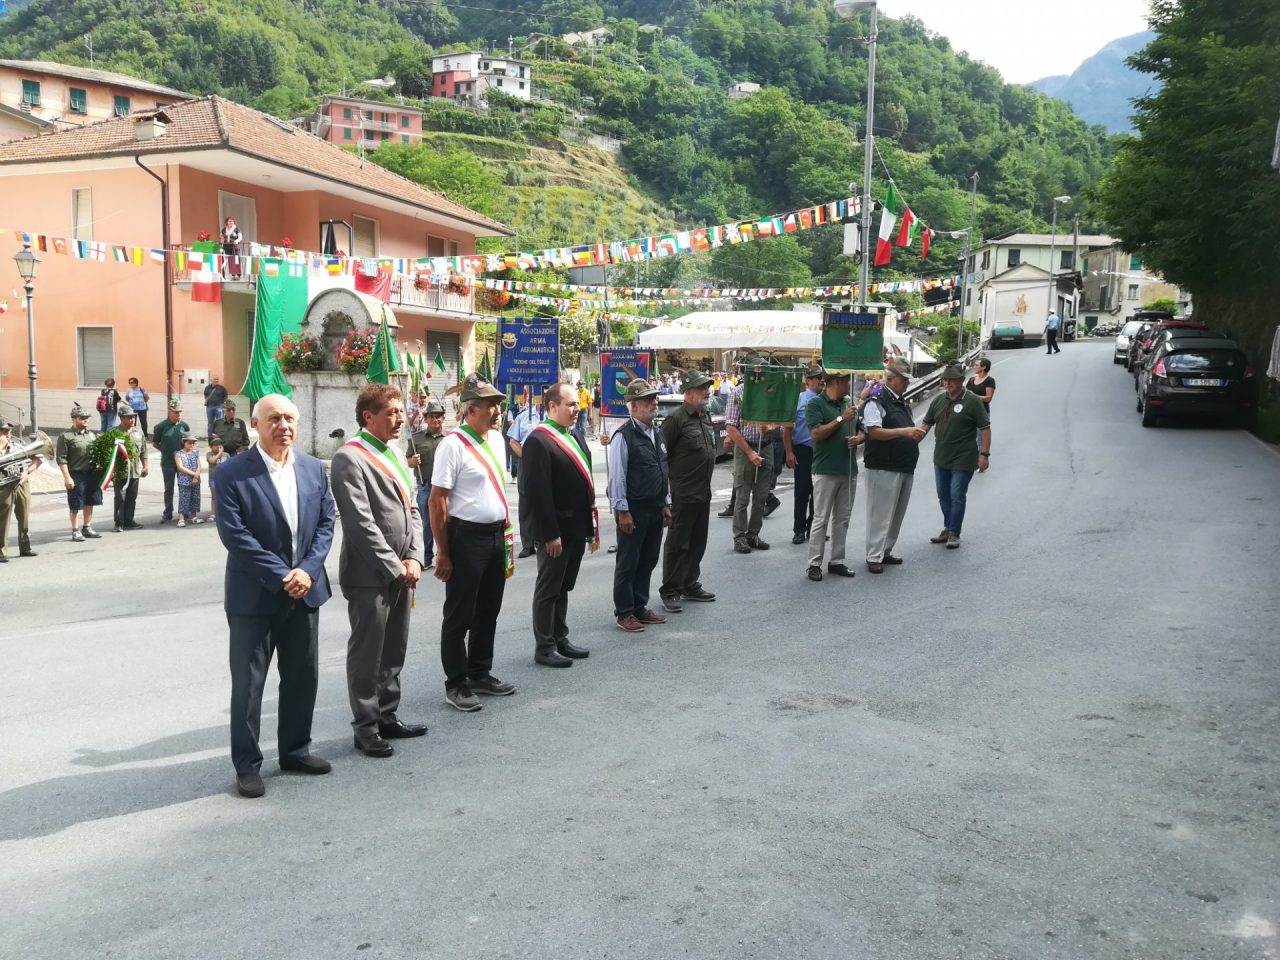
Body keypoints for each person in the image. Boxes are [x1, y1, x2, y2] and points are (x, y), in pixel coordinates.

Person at [214, 393, 336, 799]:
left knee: (303, 676)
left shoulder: (313, 469)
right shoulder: (232, 472)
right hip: (256, 597)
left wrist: (308, 570)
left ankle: (295, 751)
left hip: (305, 590)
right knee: (249, 685)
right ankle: (247, 765)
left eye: (289, 418)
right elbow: (235, 535)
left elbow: (325, 523)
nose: (283, 425)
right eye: (274, 418)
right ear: (255, 423)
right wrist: (283, 575)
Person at [331, 383, 428, 758]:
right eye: (391, 412)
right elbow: (360, 523)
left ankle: (388, 714)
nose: (400, 418)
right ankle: (366, 726)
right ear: (368, 417)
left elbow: (414, 509)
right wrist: (395, 566)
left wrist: (416, 558)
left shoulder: (396, 453)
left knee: (394, 648)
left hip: (404, 570)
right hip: (369, 574)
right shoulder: (349, 458)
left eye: (401, 411)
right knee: (367, 651)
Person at [429, 376, 518, 713]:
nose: (497, 411)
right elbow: (437, 500)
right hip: (465, 538)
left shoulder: (495, 439)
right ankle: (457, 683)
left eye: (497, 404)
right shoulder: (452, 444)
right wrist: (443, 551)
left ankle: (480, 671)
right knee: (459, 614)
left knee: (488, 610)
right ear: (470, 409)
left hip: (496, 535)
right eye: (490, 405)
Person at [522, 382, 595, 667]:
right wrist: (550, 534)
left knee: (563, 586)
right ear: (552, 406)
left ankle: (560, 637)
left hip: (575, 525)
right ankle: (544, 646)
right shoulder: (539, 441)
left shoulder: (573, 434)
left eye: (577, 404)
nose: (577, 409)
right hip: (556, 529)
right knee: (549, 588)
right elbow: (537, 493)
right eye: (570, 404)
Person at [607, 379, 671, 633]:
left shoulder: (657, 432)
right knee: (628, 562)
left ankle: (639, 605)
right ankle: (624, 611)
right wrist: (622, 510)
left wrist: (666, 502)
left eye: (654, 398)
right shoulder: (623, 436)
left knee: (648, 559)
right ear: (633, 406)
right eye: (647, 400)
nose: (654, 403)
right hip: (633, 510)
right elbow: (617, 477)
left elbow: (663, 469)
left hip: (655, 507)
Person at [657, 369, 718, 614]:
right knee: (677, 543)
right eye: (702, 388)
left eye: (707, 387)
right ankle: (670, 589)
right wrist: (666, 495)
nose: (706, 392)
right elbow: (662, 458)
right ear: (689, 392)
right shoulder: (676, 419)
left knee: (697, 542)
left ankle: (689, 583)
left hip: (703, 492)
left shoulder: (705, 415)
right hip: (683, 493)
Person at [861, 358, 925, 573]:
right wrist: (905, 432)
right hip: (884, 465)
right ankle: (873, 554)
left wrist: (913, 436)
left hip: (903, 464)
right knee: (880, 513)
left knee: (896, 512)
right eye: (904, 379)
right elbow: (873, 431)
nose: (906, 383)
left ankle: (885, 550)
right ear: (893, 379)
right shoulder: (876, 400)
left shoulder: (900, 401)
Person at [921, 363, 992, 549]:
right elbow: (925, 425)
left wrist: (984, 454)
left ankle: (954, 532)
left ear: (961, 380)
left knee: (956, 494)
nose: (947, 383)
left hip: (964, 457)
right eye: (945, 379)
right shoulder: (938, 401)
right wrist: (910, 439)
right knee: (943, 494)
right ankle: (948, 526)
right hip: (941, 457)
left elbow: (985, 428)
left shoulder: (972, 400)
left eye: (952, 379)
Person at [804, 372, 864, 581]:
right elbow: (816, 434)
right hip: (825, 469)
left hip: (848, 469)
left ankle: (837, 560)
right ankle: (814, 563)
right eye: (846, 381)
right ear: (835, 382)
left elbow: (860, 428)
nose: (849, 384)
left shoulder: (848, 402)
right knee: (821, 518)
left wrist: (858, 438)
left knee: (843, 518)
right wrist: (840, 419)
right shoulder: (816, 404)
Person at [723, 372, 778, 554]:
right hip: (745, 447)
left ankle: (753, 534)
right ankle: (739, 536)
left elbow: (781, 419)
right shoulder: (738, 393)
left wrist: (772, 427)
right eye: (755, 370)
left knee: (761, 496)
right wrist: (749, 452)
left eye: (762, 370)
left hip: (766, 446)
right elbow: (731, 426)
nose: (759, 374)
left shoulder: (770, 391)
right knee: (743, 496)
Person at [782, 364, 824, 545]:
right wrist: (789, 452)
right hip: (803, 450)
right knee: (802, 492)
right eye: (817, 378)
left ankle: (814, 527)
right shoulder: (798, 399)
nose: (821, 381)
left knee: (820, 492)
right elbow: (787, 428)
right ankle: (798, 529)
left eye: (822, 378)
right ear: (808, 381)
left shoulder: (826, 399)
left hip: (821, 451)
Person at [406, 397, 446, 569]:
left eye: (438, 416)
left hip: (446, 487)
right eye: (431, 416)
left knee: (447, 520)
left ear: (443, 418)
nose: (435, 419)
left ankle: (446, 552)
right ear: (426, 418)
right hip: (426, 484)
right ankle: (426, 556)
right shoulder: (416, 440)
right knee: (426, 522)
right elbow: (408, 460)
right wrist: (412, 461)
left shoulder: (450, 439)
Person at [57, 403, 102, 542]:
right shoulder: (66, 436)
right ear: (74, 419)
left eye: (86, 418)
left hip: (92, 474)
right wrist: (67, 478)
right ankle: (75, 530)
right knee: (76, 503)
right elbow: (61, 459)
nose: (85, 420)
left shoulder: (92, 435)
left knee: (90, 501)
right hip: (76, 474)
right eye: (82, 418)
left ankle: (87, 527)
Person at [505, 394, 543, 558]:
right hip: (526, 461)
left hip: (546, 461)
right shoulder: (523, 416)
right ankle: (528, 544)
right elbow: (513, 441)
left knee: (545, 500)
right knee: (526, 502)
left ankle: (543, 538)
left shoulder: (551, 416)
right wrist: (525, 457)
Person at [0, 419, 40, 561]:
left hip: (22, 483)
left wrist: (26, 472)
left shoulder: (17, 446)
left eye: (9, 432)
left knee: (24, 516)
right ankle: (1, 551)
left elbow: (37, 459)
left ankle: (25, 547)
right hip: (3, 486)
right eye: (4, 431)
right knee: (3, 518)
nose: (8, 435)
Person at [112, 404, 148, 532]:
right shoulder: (114, 432)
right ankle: (119, 522)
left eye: (133, 417)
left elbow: (143, 450)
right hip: (120, 471)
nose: (132, 420)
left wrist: (145, 466)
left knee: (132, 497)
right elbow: (109, 454)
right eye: (129, 417)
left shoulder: (138, 432)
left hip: (134, 471)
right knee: (120, 497)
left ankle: (129, 520)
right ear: (121, 418)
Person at [153, 399, 189, 522]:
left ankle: (184, 510)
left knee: (184, 486)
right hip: (168, 463)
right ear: (169, 412)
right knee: (169, 488)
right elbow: (155, 443)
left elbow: (188, 443)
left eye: (180, 412)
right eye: (175, 412)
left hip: (183, 463)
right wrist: (166, 451)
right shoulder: (161, 426)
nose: (178, 414)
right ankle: (168, 512)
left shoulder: (184, 426)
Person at [174, 432, 202, 526]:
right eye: (189, 442)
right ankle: (181, 518)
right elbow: (180, 467)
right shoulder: (179, 454)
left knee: (195, 497)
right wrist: (194, 474)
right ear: (184, 442)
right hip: (184, 479)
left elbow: (199, 466)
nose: (191, 445)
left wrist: (196, 476)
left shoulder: (195, 453)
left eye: (193, 443)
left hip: (196, 479)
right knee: (184, 498)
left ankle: (193, 516)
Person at [205, 434, 229, 522]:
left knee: (224, 496)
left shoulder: (226, 455)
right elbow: (212, 461)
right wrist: (219, 453)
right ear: (211, 447)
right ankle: (213, 513)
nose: (218, 446)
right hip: (214, 478)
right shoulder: (209, 454)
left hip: (224, 479)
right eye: (215, 445)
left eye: (219, 444)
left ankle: (224, 513)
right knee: (214, 497)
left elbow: (229, 466)